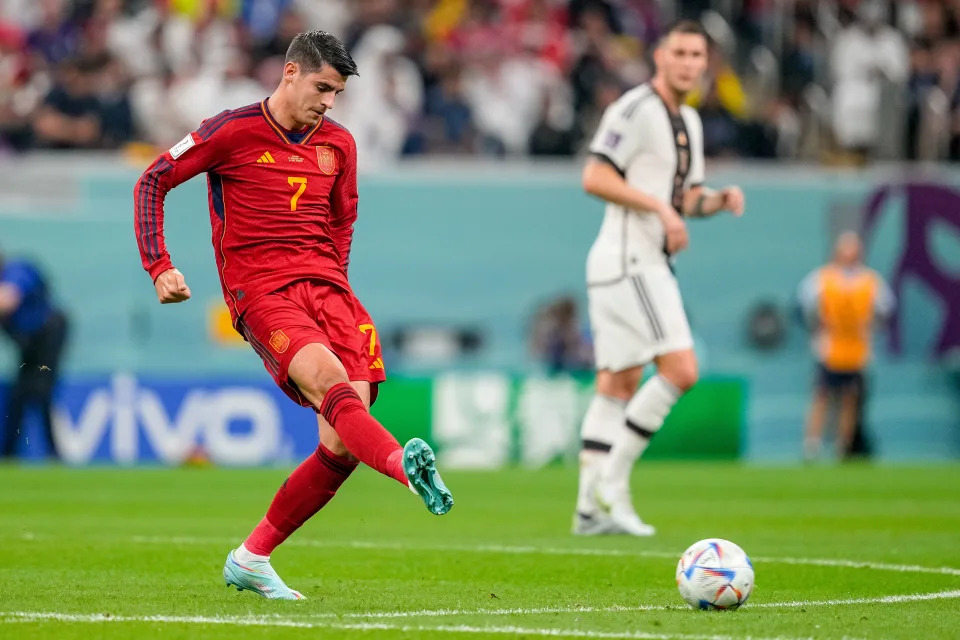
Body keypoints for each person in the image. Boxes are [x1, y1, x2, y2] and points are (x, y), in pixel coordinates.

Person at [133, 31, 453, 601]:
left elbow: (342, 223)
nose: (329, 103)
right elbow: (153, 179)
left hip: (330, 291)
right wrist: (160, 265)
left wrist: (337, 288)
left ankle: (251, 557)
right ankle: (406, 468)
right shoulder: (230, 131)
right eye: (322, 88)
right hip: (262, 292)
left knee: (341, 444)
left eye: (337, 94)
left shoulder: (340, 145)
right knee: (331, 385)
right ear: (290, 73)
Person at [573, 20, 745, 537]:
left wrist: (714, 200)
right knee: (682, 368)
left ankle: (587, 510)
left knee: (618, 384)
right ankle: (613, 485)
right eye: (681, 52)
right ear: (659, 56)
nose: (690, 62)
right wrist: (661, 212)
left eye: (698, 55)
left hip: (633, 263)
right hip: (630, 260)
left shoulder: (688, 121)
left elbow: (685, 198)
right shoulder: (634, 108)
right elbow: (595, 176)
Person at [798, 232, 894, 461]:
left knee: (850, 399)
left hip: (857, 350)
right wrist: (817, 327)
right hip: (829, 349)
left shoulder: (870, 281)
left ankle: (843, 446)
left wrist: (870, 327)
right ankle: (811, 445)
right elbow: (803, 307)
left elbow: (885, 310)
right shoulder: (822, 278)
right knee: (822, 396)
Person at [0, 251, 68, 460]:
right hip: (28, 342)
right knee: (19, 395)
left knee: (41, 391)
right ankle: (9, 454)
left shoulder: (17, 269)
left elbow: (8, 300)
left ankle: (53, 454)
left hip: (48, 335)